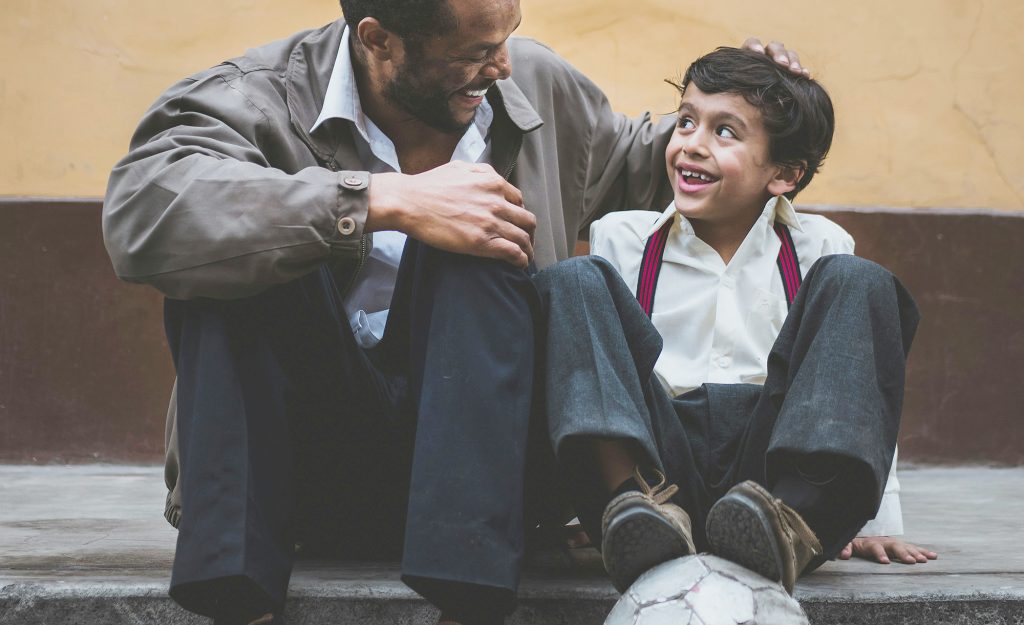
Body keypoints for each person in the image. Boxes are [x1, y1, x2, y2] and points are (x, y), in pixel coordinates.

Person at [102, 0, 809, 623]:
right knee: (235, 260)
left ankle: (469, 607)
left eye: (508, 36)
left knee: (484, 224)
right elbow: (144, 210)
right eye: (474, 51)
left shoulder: (534, 82)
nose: (502, 65)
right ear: (379, 40)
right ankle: (239, 605)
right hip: (301, 471)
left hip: (488, 474)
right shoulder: (256, 98)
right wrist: (380, 201)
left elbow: (639, 162)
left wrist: (747, 116)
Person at [532, 46, 937, 596]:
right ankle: (627, 508)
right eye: (686, 122)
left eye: (725, 132)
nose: (691, 144)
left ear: (785, 174)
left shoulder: (820, 245)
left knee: (862, 279)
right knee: (572, 279)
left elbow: (857, 380)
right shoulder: (622, 237)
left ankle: (793, 525)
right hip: (658, 468)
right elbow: (598, 376)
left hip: (771, 479)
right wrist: (586, 505)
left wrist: (876, 520)